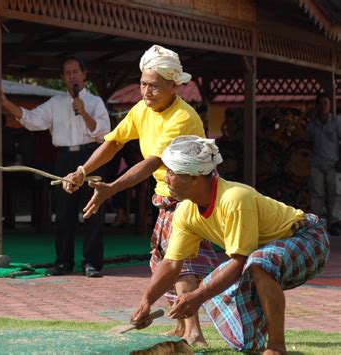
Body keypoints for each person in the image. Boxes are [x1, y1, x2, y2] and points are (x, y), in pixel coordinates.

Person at [63, 45, 218, 345]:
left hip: (192, 194)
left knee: (180, 260)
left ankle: (195, 333)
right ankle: (180, 326)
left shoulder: (182, 118)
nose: (147, 91)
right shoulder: (141, 109)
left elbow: (153, 162)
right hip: (167, 193)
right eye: (144, 84)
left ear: (174, 85)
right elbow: (113, 142)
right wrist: (82, 171)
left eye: (155, 86)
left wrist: (111, 189)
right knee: (162, 261)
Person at [130, 135, 330, 355]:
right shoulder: (185, 211)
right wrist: (146, 301)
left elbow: (240, 261)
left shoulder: (235, 199)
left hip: (309, 238)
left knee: (256, 263)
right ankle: (255, 341)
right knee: (221, 282)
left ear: (195, 177)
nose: (166, 178)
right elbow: (171, 264)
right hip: (265, 255)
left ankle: (276, 347)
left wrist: (197, 297)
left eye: (172, 172)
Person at [0, 55, 110, 278]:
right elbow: (32, 120)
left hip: (91, 156)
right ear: (62, 78)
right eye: (67, 73)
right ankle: (63, 262)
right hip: (64, 158)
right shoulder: (55, 103)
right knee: (63, 214)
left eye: (75, 72)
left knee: (93, 211)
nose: (72, 76)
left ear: (84, 74)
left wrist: (84, 112)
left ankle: (92, 263)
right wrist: (6, 104)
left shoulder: (95, 102)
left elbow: (104, 133)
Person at [305, 92, 341, 235]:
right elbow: (307, 143)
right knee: (317, 194)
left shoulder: (337, 122)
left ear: (329, 105)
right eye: (321, 103)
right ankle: (317, 222)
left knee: (334, 194)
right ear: (316, 105)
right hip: (316, 163)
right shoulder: (312, 126)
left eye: (326, 103)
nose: (323, 106)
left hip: (333, 163)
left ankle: (335, 222)